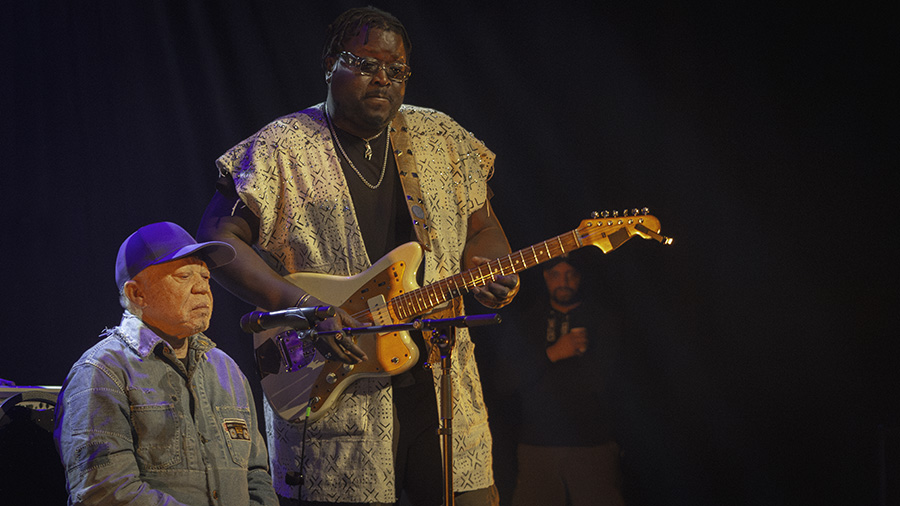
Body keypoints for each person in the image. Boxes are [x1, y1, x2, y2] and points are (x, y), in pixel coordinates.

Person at [196, 6, 518, 505]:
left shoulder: (443, 138)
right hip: (334, 391)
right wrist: (305, 306)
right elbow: (219, 240)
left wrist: (491, 265)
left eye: (397, 69)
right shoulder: (282, 146)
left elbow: (484, 226)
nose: (383, 78)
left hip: (444, 391)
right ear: (330, 64)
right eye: (366, 64)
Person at [54, 221, 278, 506]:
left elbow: (257, 474)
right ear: (137, 294)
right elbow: (105, 492)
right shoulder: (101, 372)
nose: (202, 288)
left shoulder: (227, 370)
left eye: (206, 277)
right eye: (183, 276)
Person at [503, 253, 626, 506]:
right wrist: (553, 353)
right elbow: (504, 380)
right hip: (538, 444)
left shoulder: (602, 320)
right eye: (556, 275)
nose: (564, 282)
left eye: (571, 274)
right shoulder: (529, 321)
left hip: (592, 444)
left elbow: (610, 382)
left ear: (580, 277)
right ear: (545, 277)